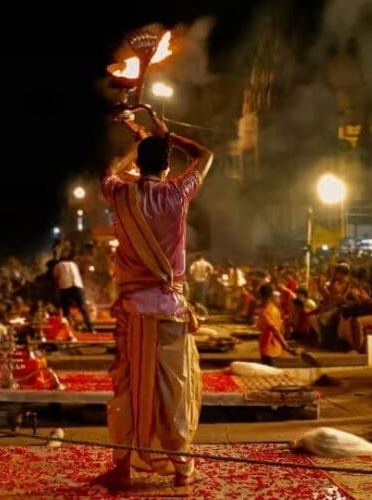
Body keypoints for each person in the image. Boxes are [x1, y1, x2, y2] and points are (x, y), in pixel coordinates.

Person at [99, 107, 213, 489]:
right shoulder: (178, 193)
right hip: (170, 313)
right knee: (175, 387)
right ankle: (182, 469)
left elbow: (111, 171)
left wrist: (139, 144)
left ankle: (123, 466)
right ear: (167, 166)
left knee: (128, 388)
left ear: (140, 164)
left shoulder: (120, 194)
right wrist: (169, 136)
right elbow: (206, 156)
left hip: (132, 313)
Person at [52, 252, 95, 333]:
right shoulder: (73, 264)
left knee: (66, 309)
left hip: (65, 287)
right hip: (78, 286)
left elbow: (55, 278)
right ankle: (91, 328)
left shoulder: (58, 266)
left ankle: (67, 329)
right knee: (83, 308)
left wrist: (57, 291)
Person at [257, 283, 297, 366]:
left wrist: (287, 347)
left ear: (261, 296)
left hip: (268, 350)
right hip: (276, 349)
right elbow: (281, 327)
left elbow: (275, 330)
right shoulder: (275, 309)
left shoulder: (265, 312)